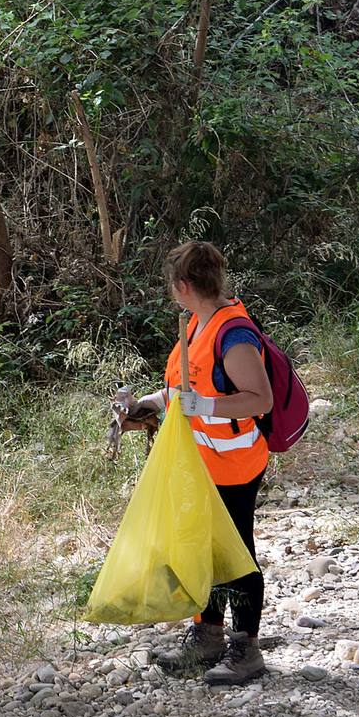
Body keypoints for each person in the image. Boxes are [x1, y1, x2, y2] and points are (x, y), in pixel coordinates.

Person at [122, 241, 274, 685]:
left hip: (235, 463)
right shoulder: (197, 323)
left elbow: (258, 399)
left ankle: (245, 647)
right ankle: (207, 635)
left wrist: (200, 404)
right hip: (201, 462)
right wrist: (149, 405)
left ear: (184, 285)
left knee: (236, 550)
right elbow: (188, 389)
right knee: (201, 546)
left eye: (172, 287)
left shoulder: (234, 332)